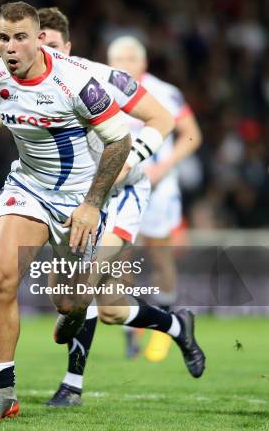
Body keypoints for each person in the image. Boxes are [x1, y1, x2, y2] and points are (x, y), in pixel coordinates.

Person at [0, 1, 136, 422]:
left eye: (20, 37)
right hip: (27, 187)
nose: (10, 47)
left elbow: (120, 140)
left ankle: (75, 313)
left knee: (69, 303)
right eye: (3, 38)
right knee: (1, 279)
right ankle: (2, 392)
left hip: (79, 199)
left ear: (39, 38)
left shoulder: (75, 81)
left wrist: (93, 204)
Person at [37, 7, 205, 408]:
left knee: (84, 285)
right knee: (110, 308)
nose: (45, 53)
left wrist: (138, 159)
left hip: (124, 193)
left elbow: (165, 121)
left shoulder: (97, 77)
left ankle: (71, 385)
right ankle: (177, 325)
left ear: (69, 48)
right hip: (80, 195)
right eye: (38, 44)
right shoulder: (30, 86)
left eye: (53, 45)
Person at [107, 36, 202, 362]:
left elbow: (192, 135)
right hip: (119, 187)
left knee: (161, 258)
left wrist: (165, 166)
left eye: (131, 57)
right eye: (118, 58)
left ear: (144, 63)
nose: (125, 63)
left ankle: (166, 324)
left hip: (158, 187)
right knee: (122, 259)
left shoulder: (164, 92)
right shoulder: (100, 90)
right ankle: (130, 333)